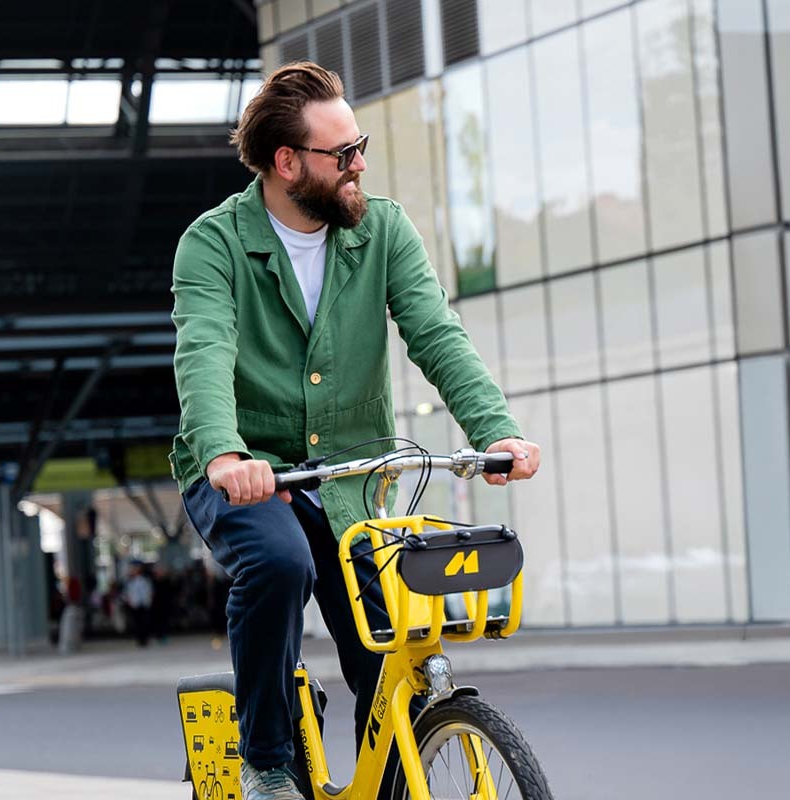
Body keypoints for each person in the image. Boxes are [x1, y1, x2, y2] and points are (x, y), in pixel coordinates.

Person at [169, 61, 541, 800]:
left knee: (386, 638)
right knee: (280, 565)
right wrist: (223, 451)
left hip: (350, 480)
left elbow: (437, 334)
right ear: (287, 162)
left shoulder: (383, 230)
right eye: (343, 154)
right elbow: (204, 352)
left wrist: (496, 430)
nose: (360, 164)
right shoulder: (212, 244)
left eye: (359, 145)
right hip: (252, 476)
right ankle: (267, 762)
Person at [121, 561, 154, 647]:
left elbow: (148, 591)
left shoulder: (144, 580)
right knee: (137, 623)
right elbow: (126, 593)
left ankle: (144, 639)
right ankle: (140, 639)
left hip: (143, 604)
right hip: (134, 604)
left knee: (144, 622)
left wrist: (148, 601)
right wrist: (128, 600)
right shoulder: (129, 581)